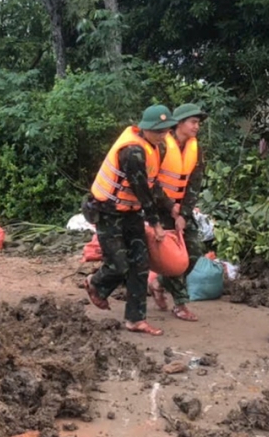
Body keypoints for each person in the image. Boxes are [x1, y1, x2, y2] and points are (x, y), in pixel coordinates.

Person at [83, 105, 176, 336]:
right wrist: (155, 224)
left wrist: (170, 207)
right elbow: (142, 189)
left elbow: (152, 185)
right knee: (119, 264)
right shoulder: (133, 151)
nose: (162, 135)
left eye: (165, 130)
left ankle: (135, 319)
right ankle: (96, 283)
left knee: (140, 264)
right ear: (144, 128)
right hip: (108, 211)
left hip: (131, 212)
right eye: (157, 131)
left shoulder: (157, 148)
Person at [149, 103, 208, 322]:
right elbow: (151, 181)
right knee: (172, 257)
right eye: (193, 122)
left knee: (194, 251)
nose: (197, 127)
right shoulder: (161, 145)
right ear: (180, 123)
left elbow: (194, 183)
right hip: (159, 209)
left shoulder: (196, 148)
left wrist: (183, 213)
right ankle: (181, 305)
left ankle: (158, 283)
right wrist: (169, 207)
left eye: (198, 123)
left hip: (181, 210)